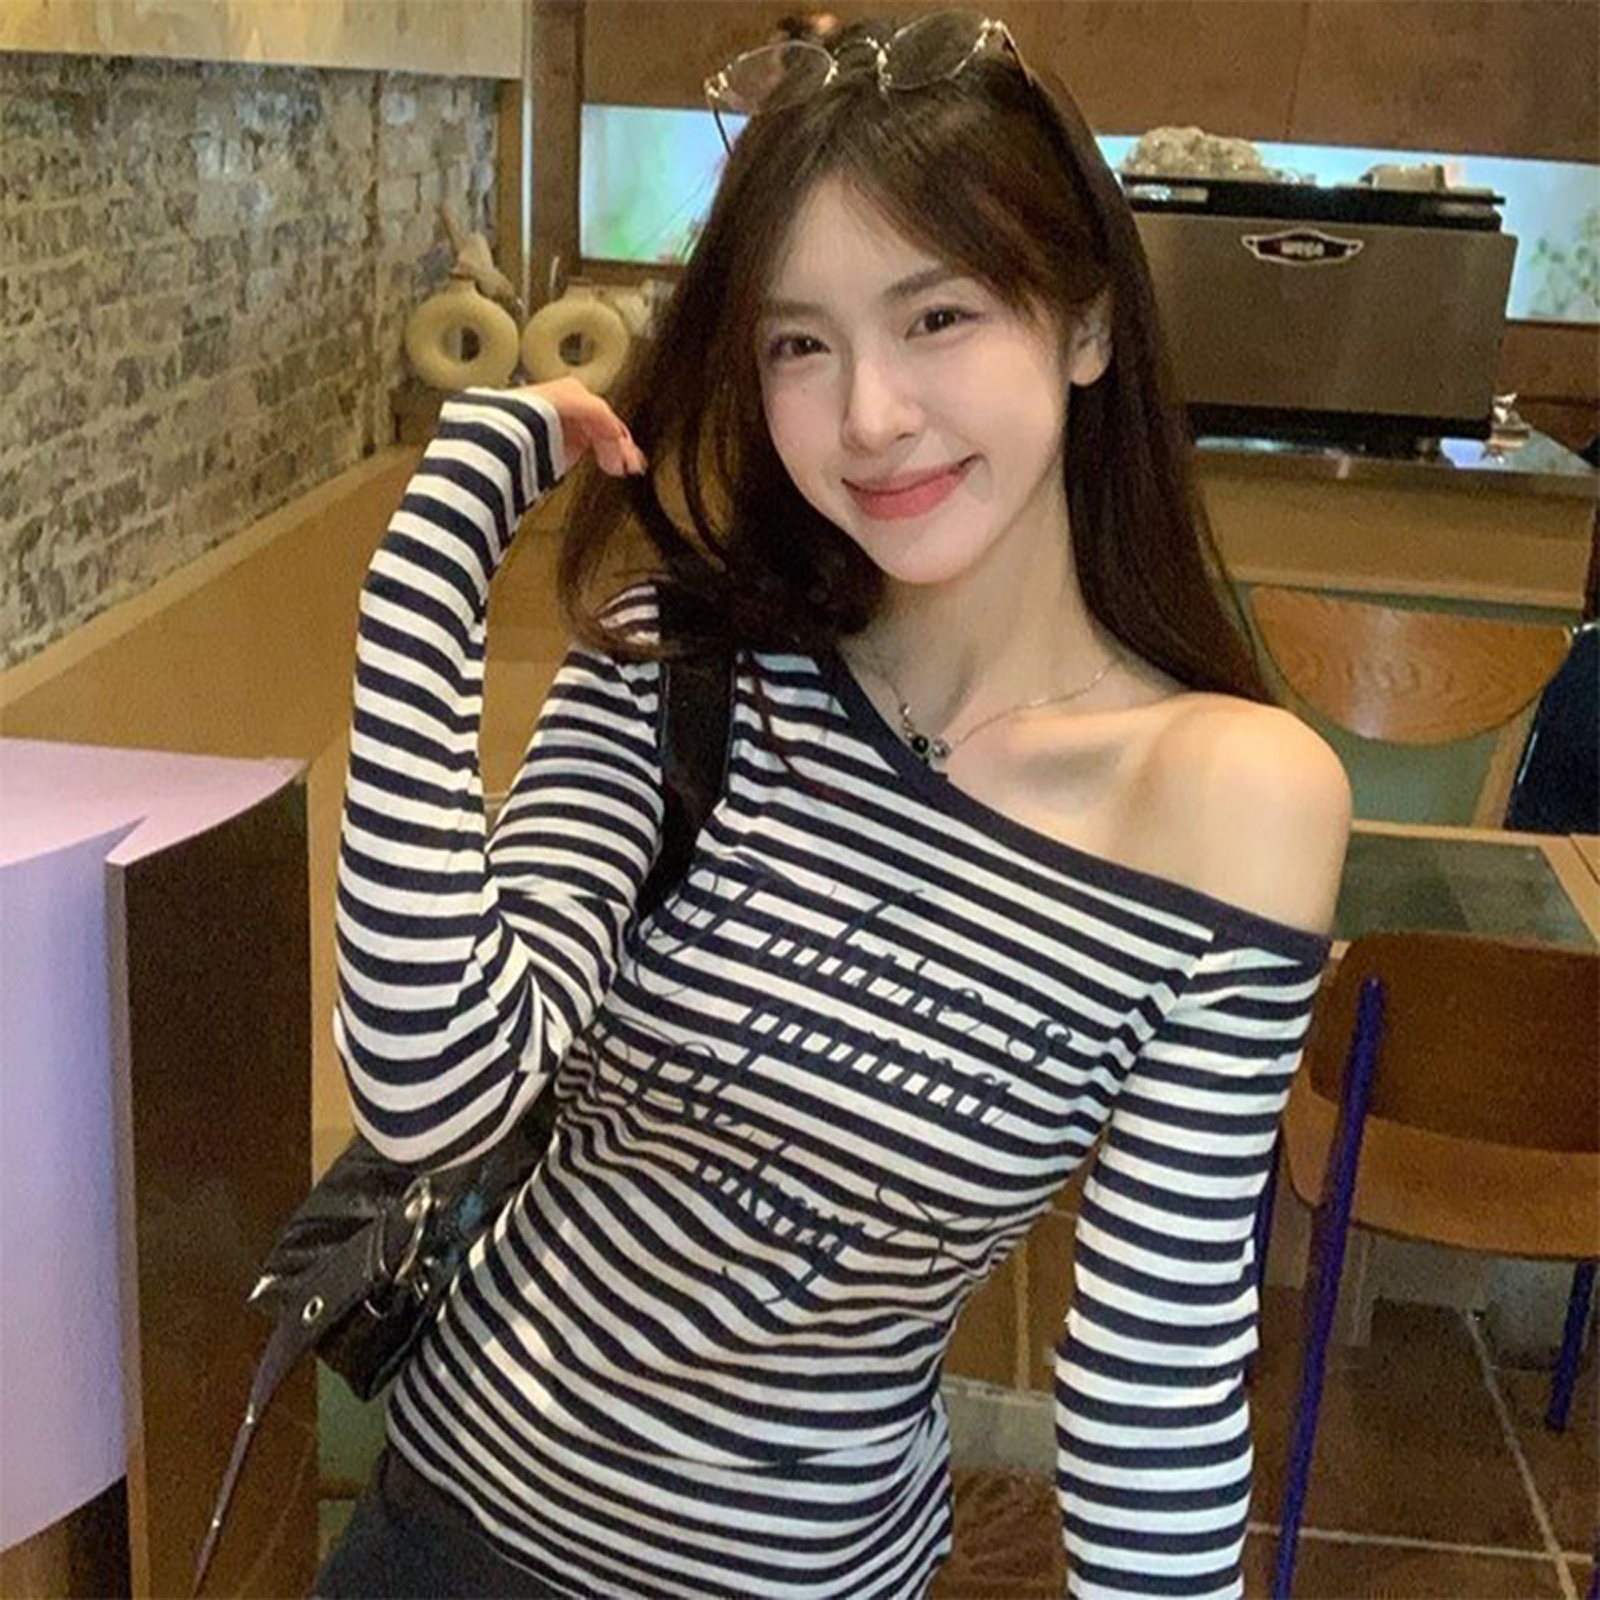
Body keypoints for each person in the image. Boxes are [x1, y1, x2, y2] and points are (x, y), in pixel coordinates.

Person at [312, 11, 1351, 1599]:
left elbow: (1155, 1381)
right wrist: (426, 579)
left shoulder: (1229, 803)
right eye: (799, 343)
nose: (869, 415)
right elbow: (435, 1089)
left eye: (937, 315)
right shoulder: (685, 665)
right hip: (446, 1539)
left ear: (1084, 324)